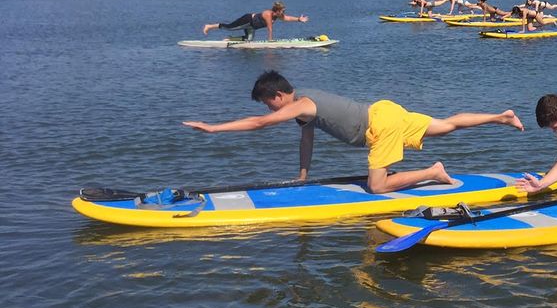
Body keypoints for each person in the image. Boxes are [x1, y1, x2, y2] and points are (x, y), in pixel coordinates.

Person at [182, 70, 524, 193]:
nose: (269, 110)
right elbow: (307, 139)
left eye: (267, 103)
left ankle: (433, 171)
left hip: (380, 125)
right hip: (384, 110)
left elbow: (258, 124)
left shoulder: (299, 104)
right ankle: (500, 117)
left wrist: (213, 128)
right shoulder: (304, 106)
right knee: (448, 123)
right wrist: (303, 176)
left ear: (278, 96)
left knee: (376, 187)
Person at [202, 1, 308, 41]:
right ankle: (209, 26)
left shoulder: (278, 15)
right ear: (278, 10)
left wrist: (299, 19)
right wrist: (270, 42)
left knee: (249, 40)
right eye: (283, 10)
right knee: (230, 27)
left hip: (252, 27)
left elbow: (287, 18)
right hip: (247, 20)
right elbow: (270, 28)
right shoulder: (268, 14)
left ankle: (230, 39)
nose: (284, 12)